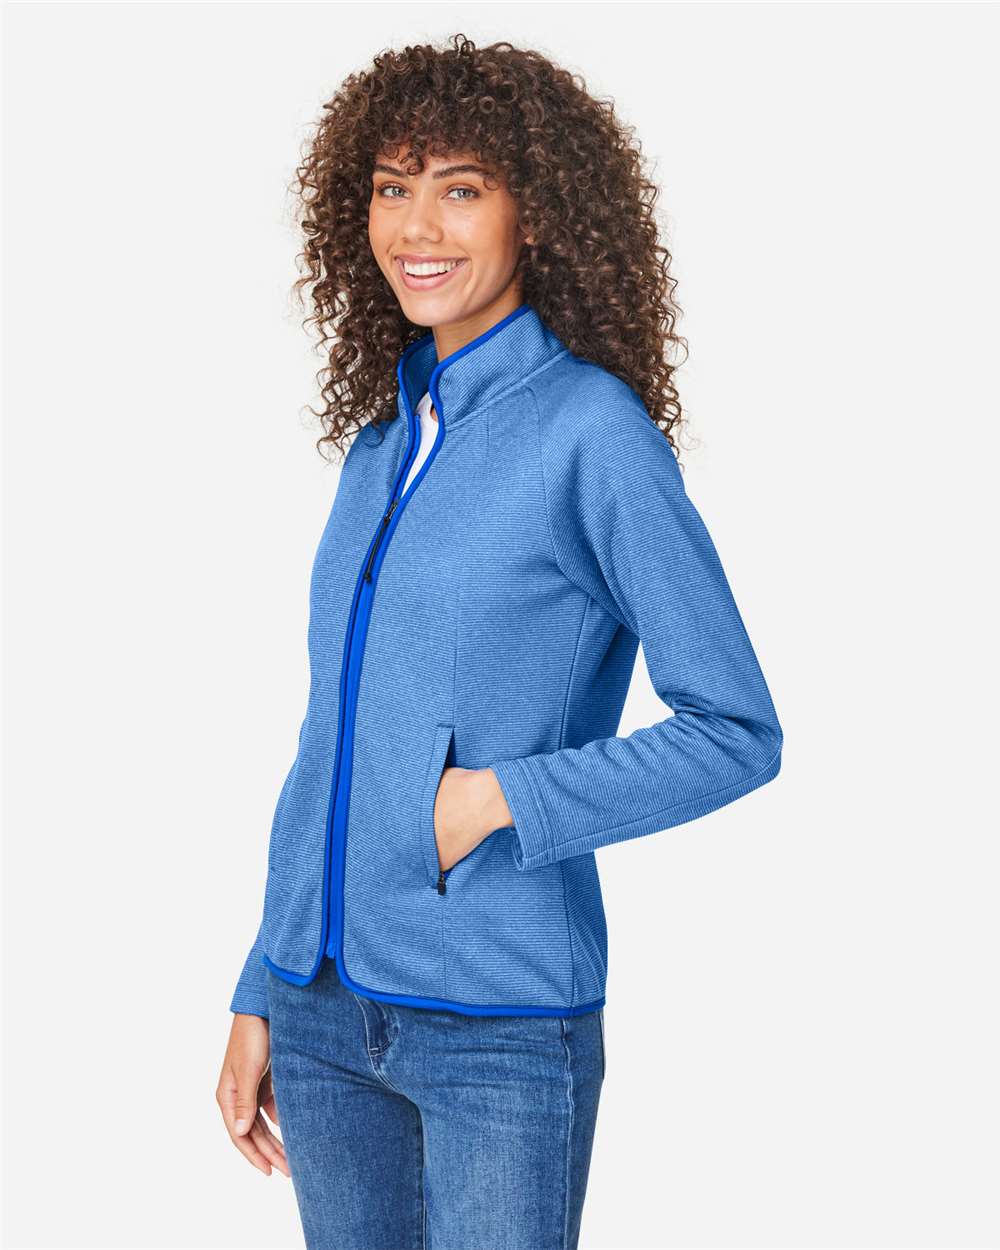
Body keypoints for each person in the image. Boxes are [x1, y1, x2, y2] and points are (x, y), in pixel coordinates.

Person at [216, 32, 783, 1250]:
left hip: (499, 1029)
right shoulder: (384, 442)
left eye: (461, 188)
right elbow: (330, 735)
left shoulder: (593, 434)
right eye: (392, 188)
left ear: (538, 215)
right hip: (321, 1018)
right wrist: (264, 976)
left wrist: (496, 800)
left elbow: (735, 729)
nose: (417, 226)